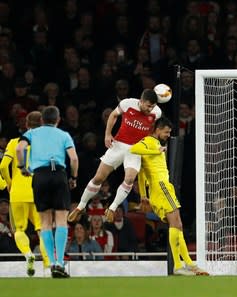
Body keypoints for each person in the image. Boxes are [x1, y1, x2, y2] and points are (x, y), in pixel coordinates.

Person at [68, 89, 162, 223]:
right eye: (148, 106)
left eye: (152, 106)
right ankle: (80, 206)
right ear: (141, 101)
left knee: (129, 179)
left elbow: (154, 130)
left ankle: (112, 208)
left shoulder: (156, 113)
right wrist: (108, 134)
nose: (150, 109)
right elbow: (113, 115)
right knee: (99, 177)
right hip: (118, 145)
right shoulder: (127, 103)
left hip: (136, 149)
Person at [130, 116, 209, 275]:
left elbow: (143, 172)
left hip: (162, 188)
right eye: (166, 132)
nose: (167, 135)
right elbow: (133, 148)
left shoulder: (157, 145)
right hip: (161, 187)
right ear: (157, 130)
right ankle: (180, 265)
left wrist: (144, 195)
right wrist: (155, 150)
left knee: (177, 224)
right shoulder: (149, 142)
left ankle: (187, 264)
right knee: (176, 223)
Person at [16, 106, 79, 278]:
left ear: (42, 120)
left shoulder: (31, 134)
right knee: (61, 220)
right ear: (58, 120)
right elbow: (73, 158)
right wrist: (73, 177)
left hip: (40, 176)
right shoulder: (64, 135)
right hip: (58, 174)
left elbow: (19, 149)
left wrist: (22, 167)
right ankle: (59, 262)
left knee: (44, 222)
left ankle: (51, 263)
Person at [0, 111, 50, 276]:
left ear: (26, 125)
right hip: (38, 193)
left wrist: (9, 183)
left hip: (17, 194)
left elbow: (2, 166)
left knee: (19, 229)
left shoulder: (14, 143)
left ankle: (29, 255)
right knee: (42, 230)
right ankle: (47, 263)